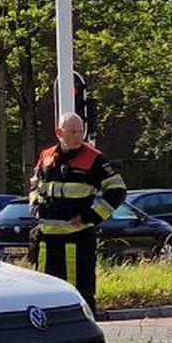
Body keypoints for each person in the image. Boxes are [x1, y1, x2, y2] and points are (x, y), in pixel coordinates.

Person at [29, 112, 126, 311]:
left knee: (79, 293)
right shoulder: (46, 157)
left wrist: (90, 216)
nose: (78, 136)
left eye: (81, 131)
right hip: (46, 239)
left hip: (78, 238)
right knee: (45, 291)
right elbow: (34, 184)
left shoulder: (94, 159)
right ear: (59, 132)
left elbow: (117, 191)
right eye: (72, 131)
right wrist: (35, 206)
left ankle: (82, 333)